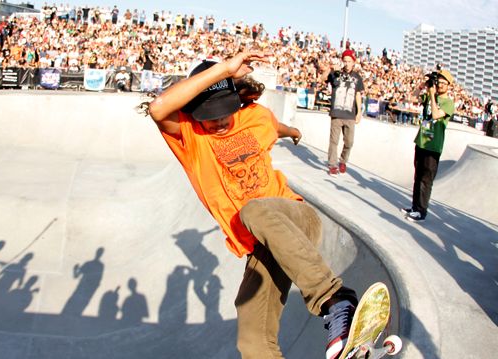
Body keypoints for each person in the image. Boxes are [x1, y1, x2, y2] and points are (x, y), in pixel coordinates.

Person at [144, 52, 359, 359]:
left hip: (295, 218)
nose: (218, 121)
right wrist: (223, 69)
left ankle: (335, 299)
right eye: (210, 115)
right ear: (196, 113)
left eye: (224, 113)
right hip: (265, 246)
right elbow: (158, 107)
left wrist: (294, 132)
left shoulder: (255, 117)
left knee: (253, 211)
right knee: (252, 338)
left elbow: (277, 126)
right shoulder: (191, 136)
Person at [401, 69, 455, 222]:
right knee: (417, 176)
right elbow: (409, 98)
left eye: (444, 84)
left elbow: (437, 115)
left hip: (433, 146)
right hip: (422, 141)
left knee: (426, 179)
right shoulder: (428, 94)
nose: (440, 86)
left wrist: (432, 95)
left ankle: (422, 211)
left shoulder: (448, 103)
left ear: (448, 86)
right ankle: (415, 207)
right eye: (439, 82)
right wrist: (422, 86)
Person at [318, 49, 365, 176]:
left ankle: (343, 160)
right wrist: (329, 69)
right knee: (334, 141)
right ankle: (332, 164)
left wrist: (359, 112)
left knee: (349, 142)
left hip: (350, 114)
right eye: (345, 61)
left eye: (349, 61)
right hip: (336, 113)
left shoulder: (357, 77)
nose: (347, 64)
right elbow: (321, 79)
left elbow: (358, 95)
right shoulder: (335, 73)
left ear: (353, 62)